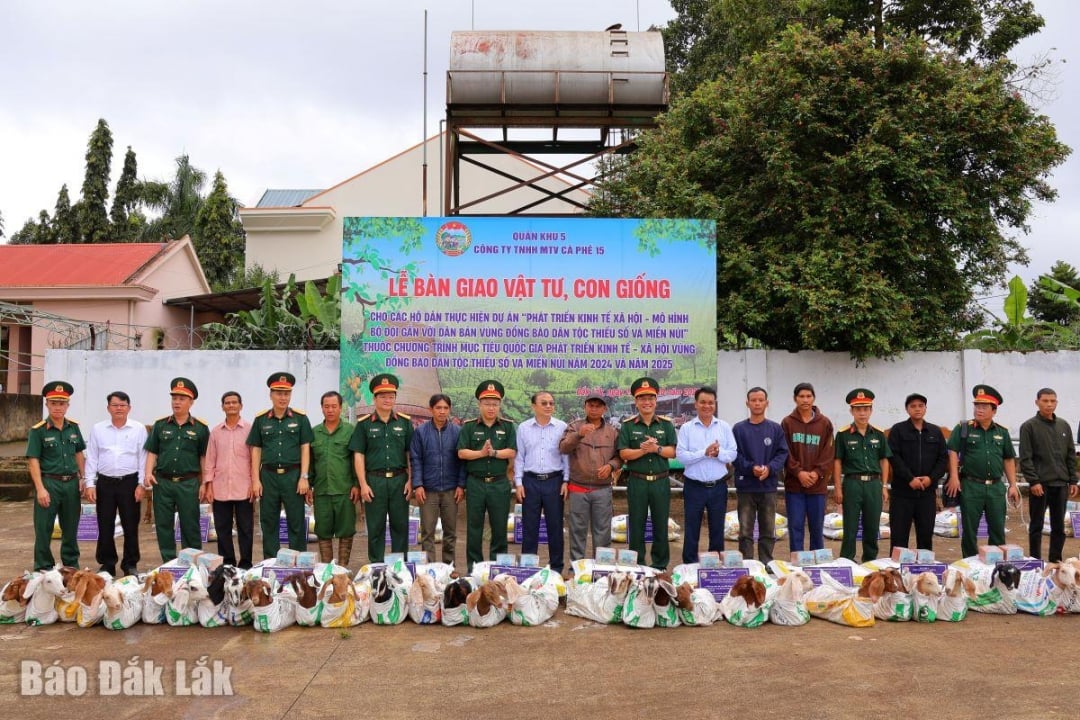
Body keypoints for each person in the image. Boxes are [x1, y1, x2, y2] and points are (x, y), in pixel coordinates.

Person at [945, 385, 1020, 559]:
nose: (979, 410)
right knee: (970, 530)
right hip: (971, 486)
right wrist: (954, 477)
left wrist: (1013, 485)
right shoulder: (964, 428)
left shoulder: (1002, 432)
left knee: (997, 529)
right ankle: (970, 565)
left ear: (994, 410)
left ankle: (995, 565)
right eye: (977, 406)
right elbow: (953, 451)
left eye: (984, 407)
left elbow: (1008, 459)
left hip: (995, 487)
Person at [144, 377, 210, 562]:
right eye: (174, 398)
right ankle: (169, 562)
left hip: (188, 483)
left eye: (181, 399)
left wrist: (204, 483)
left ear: (191, 402)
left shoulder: (200, 428)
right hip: (163, 482)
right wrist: (148, 473)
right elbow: (152, 451)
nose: (176, 402)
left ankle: (191, 562)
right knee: (163, 525)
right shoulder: (161, 425)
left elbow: (203, 458)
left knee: (190, 525)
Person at [248, 372, 314, 559]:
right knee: (269, 521)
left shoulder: (300, 419)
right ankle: (271, 562)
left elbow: (305, 448)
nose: (283, 397)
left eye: (286, 393)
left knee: (296, 522)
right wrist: (255, 480)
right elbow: (256, 450)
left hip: (293, 476)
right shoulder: (261, 420)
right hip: (268, 476)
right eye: (278, 393)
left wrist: (304, 477)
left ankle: (298, 561)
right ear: (271, 395)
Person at [349, 373, 413, 564]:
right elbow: (358, 455)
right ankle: (376, 567)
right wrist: (363, 484)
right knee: (375, 528)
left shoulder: (404, 422)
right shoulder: (364, 425)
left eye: (391, 396)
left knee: (400, 527)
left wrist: (411, 480)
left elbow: (411, 454)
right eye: (383, 396)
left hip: (399, 481)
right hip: (374, 482)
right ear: (375, 398)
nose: (387, 400)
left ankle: (399, 567)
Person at [84, 390, 147, 576]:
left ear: (129, 408)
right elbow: (92, 457)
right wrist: (89, 484)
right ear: (108, 408)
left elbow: (143, 458)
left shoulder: (138, 429)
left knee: (130, 525)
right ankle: (107, 564)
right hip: (105, 483)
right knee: (105, 524)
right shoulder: (98, 429)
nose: (119, 408)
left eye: (122, 405)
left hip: (129, 482)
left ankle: (130, 564)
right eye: (115, 405)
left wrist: (141, 484)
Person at [617, 377, 677, 571]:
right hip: (637, 481)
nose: (647, 402)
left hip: (660, 481)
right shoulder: (628, 425)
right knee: (636, 525)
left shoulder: (666, 425)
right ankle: (638, 564)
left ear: (656, 400)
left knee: (661, 524)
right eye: (642, 398)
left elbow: (673, 452)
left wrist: (656, 448)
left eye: (650, 398)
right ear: (636, 401)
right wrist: (643, 450)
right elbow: (624, 454)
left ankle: (660, 565)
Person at [457, 379, 517, 572]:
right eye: (487, 403)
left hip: (499, 484)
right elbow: (461, 452)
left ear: (499, 405)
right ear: (479, 404)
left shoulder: (507, 427)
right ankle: (474, 569)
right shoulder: (469, 427)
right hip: (475, 483)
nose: (491, 408)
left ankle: (497, 569)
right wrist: (481, 454)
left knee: (499, 529)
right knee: (474, 529)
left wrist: (494, 453)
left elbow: (512, 451)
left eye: (495, 404)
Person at [26, 381, 86, 571]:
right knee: (44, 529)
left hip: (71, 484)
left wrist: (83, 478)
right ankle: (43, 567)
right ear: (47, 405)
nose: (58, 407)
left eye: (62, 403)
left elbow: (79, 453)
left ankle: (70, 566)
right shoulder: (38, 431)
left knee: (70, 528)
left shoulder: (73, 428)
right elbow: (33, 460)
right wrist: (40, 488)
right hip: (49, 483)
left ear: (67, 405)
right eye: (54, 403)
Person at [676, 386, 738, 564]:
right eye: (702, 402)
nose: (707, 406)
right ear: (695, 404)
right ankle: (689, 566)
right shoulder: (687, 428)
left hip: (718, 486)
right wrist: (704, 452)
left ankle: (714, 565)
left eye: (711, 402)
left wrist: (718, 453)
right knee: (691, 529)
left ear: (715, 405)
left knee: (717, 529)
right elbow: (681, 457)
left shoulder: (724, 427)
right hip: (694, 487)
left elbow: (733, 453)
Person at [559, 392, 621, 562]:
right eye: (590, 405)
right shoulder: (574, 426)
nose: (594, 409)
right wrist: (579, 434)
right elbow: (563, 448)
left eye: (598, 406)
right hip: (578, 488)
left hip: (602, 489)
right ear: (585, 407)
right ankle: (575, 569)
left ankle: (601, 569)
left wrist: (611, 466)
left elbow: (619, 456)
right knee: (577, 530)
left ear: (604, 409)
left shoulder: (612, 431)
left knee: (602, 531)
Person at [1019, 388, 1077, 562]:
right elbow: (1025, 457)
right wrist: (1033, 481)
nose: (1049, 404)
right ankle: (1035, 561)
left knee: (1058, 526)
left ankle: (1055, 560)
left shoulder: (1064, 426)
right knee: (1036, 526)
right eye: (1045, 401)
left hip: (1061, 485)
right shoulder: (1029, 427)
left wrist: (1073, 479)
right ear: (1037, 402)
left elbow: (1070, 454)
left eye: (1053, 401)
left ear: (1056, 402)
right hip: (1040, 485)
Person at [732, 387, 789, 564]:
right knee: (745, 530)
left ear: (767, 403)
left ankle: (766, 563)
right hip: (746, 487)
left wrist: (769, 469)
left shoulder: (775, 429)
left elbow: (782, 453)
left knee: (768, 529)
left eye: (760, 400)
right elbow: (734, 454)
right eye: (753, 400)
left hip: (768, 487)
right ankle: (748, 564)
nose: (757, 403)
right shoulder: (739, 429)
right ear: (747, 403)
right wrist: (751, 468)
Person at [833, 389, 891, 563]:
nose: (862, 413)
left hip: (874, 484)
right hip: (852, 484)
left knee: (872, 526)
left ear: (871, 410)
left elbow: (884, 460)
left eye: (866, 409)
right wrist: (837, 488)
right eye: (858, 409)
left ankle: (869, 562)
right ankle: (847, 561)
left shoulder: (879, 434)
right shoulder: (843, 434)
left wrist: (884, 485)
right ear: (852, 411)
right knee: (850, 526)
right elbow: (837, 462)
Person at [515, 391, 569, 573]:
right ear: (534, 406)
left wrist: (566, 480)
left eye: (551, 403)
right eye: (544, 403)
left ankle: (556, 571)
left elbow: (566, 456)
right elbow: (519, 457)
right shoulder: (523, 428)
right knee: (530, 528)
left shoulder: (562, 427)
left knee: (555, 528)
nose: (548, 406)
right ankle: (528, 570)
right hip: (530, 482)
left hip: (554, 482)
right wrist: (518, 482)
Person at [887, 393, 948, 552]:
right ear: (907, 409)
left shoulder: (935, 431)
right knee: (899, 540)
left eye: (921, 406)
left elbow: (943, 459)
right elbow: (893, 457)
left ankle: (924, 573)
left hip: (927, 495)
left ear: (925, 409)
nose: (917, 409)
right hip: (902, 494)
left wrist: (931, 478)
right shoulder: (898, 430)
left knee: (925, 538)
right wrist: (910, 478)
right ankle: (897, 573)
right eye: (913, 406)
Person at [411, 393, 466, 566]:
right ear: (431, 409)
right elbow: (416, 459)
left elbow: (462, 461)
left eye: (445, 408)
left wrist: (461, 485)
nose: (442, 412)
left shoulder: (458, 432)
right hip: (428, 490)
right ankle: (429, 570)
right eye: (438, 408)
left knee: (450, 533)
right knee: (427, 532)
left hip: (451, 490)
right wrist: (418, 484)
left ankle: (449, 568)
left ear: (449, 410)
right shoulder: (421, 432)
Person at [203, 391, 254, 569]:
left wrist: (254, 483)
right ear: (222, 406)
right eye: (227, 403)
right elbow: (210, 460)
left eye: (234, 402)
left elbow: (255, 459)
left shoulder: (249, 429)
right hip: (220, 488)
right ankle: (228, 563)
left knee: (245, 529)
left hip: (244, 488)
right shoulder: (216, 432)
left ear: (241, 406)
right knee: (222, 529)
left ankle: (246, 563)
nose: (231, 405)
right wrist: (208, 485)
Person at [781, 382, 834, 552]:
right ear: (795, 399)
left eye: (808, 396)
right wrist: (799, 473)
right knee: (796, 527)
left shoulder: (824, 423)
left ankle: (817, 564)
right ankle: (797, 563)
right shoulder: (787, 423)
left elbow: (829, 452)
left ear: (814, 398)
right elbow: (784, 451)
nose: (805, 400)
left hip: (817, 486)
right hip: (795, 486)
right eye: (801, 396)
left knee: (816, 528)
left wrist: (816, 473)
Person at [310, 391, 359, 566]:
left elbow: (356, 460)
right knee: (323, 532)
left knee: (346, 532)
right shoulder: (314, 432)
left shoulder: (350, 431)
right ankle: (327, 570)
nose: (330, 410)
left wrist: (356, 485)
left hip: (344, 491)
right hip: (322, 491)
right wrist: (308, 485)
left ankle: (343, 569)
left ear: (340, 408)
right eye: (326, 406)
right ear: (322, 408)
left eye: (334, 406)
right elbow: (310, 463)